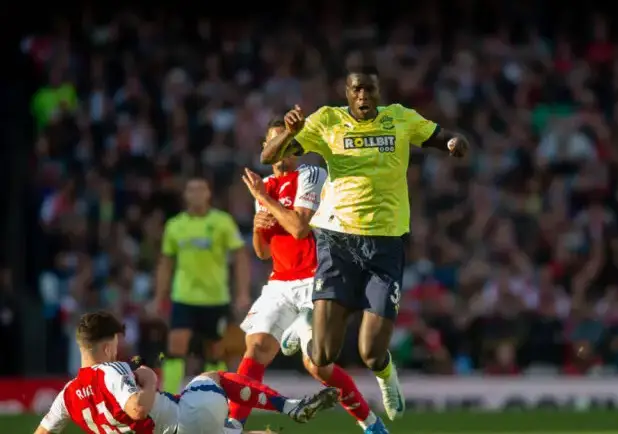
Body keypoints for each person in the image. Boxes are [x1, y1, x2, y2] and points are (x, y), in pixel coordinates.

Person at [261, 66, 469, 419]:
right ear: (347, 93)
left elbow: (439, 136)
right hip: (337, 240)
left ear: (378, 92)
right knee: (323, 354)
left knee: (371, 352)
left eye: (369, 90)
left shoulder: (400, 118)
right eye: (357, 90)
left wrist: (453, 143)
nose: (363, 96)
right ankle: (300, 326)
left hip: (385, 243)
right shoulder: (326, 120)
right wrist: (290, 134)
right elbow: (268, 156)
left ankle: (386, 376)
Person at [232, 118, 388, 433]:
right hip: (279, 282)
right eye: (272, 144)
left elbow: (300, 229)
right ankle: (232, 425)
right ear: (265, 148)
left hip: (316, 279)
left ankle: (371, 424)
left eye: (287, 144)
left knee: (318, 365)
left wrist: (264, 199)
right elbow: (263, 252)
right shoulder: (265, 187)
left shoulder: (311, 175)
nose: (279, 152)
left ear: (297, 149)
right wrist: (257, 226)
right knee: (256, 349)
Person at [34, 311, 339, 434]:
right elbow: (138, 409)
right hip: (184, 418)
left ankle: (238, 423)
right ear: (106, 345)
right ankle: (291, 407)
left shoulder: (67, 396)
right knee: (213, 379)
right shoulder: (110, 370)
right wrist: (151, 381)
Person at [153, 177, 251, 394]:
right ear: (185, 195)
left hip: (215, 297)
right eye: (191, 190)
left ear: (208, 194)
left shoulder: (223, 222)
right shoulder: (175, 225)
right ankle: (170, 397)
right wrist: (160, 296)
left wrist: (242, 292)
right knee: (175, 345)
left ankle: (214, 396)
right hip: (184, 296)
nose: (196, 194)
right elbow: (166, 263)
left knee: (215, 351)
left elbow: (241, 256)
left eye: (201, 189)